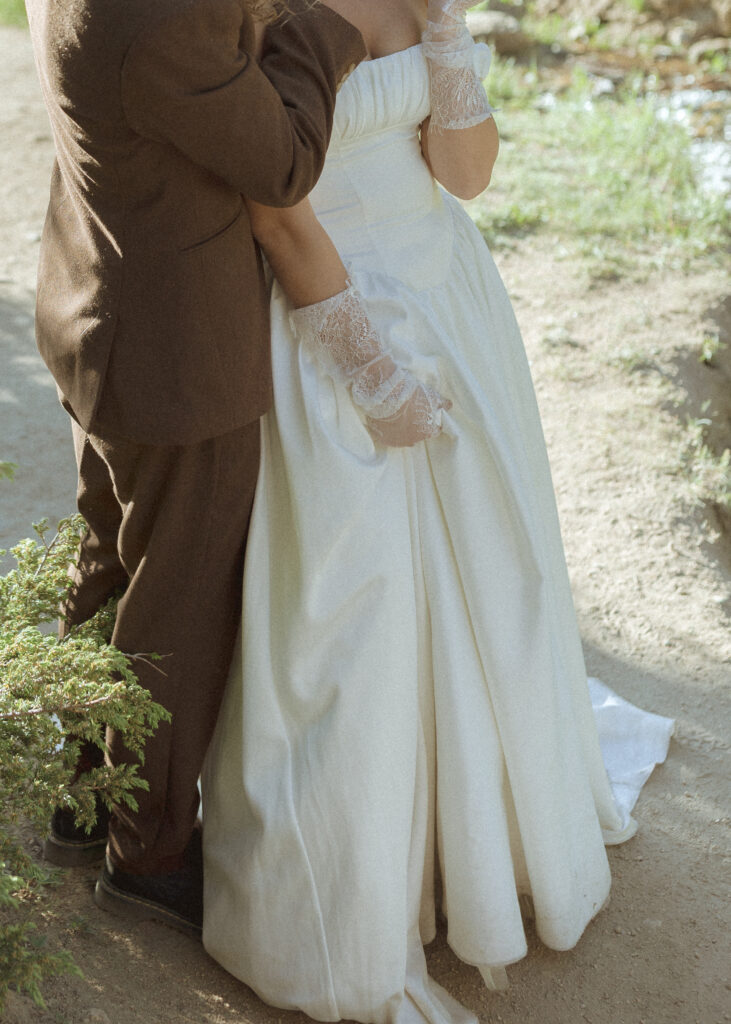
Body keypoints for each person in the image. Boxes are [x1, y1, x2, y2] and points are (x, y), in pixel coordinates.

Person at [200, 0, 674, 1020]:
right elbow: (267, 206)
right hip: (325, 315)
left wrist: (445, 33)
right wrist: (366, 365)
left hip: (450, 291)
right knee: (359, 615)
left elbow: (464, 174)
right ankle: (368, 888)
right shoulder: (248, 11)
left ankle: (484, 845)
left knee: (499, 579)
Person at [28, 0, 367, 935]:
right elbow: (282, 162)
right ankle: (149, 851)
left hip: (96, 308)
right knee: (181, 602)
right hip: (178, 357)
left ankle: (82, 795)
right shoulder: (169, 16)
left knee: (116, 559)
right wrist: (321, 23)